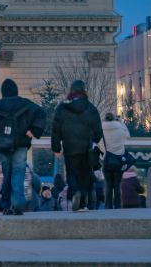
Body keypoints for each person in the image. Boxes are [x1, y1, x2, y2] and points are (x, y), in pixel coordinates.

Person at [0, 78, 46, 215]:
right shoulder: (25, 104)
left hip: (3, 145)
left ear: (3, 92)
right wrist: (34, 131)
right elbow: (41, 113)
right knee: (18, 173)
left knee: (7, 174)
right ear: (16, 90)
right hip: (21, 145)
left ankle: (6, 204)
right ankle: (17, 203)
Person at [51, 80, 103, 212]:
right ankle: (82, 205)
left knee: (72, 173)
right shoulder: (91, 108)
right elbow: (98, 131)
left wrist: (56, 147)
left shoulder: (62, 108)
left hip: (69, 147)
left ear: (71, 91)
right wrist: (93, 139)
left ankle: (75, 192)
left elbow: (56, 129)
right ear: (84, 90)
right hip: (86, 147)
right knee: (85, 175)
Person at [101, 112, 130, 209]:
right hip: (118, 160)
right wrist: (121, 122)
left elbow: (99, 144)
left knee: (108, 185)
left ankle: (108, 206)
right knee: (117, 184)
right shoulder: (120, 129)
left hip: (107, 160)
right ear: (114, 119)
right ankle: (117, 205)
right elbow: (127, 136)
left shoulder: (101, 130)